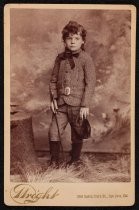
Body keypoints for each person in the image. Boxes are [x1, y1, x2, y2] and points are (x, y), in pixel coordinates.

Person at [48, 21, 96, 167]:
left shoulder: (86, 59)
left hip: (78, 106)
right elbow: (53, 80)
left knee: (77, 134)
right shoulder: (60, 58)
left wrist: (85, 105)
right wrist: (54, 98)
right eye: (69, 38)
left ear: (82, 41)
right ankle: (54, 161)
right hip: (61, 105)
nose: (73, 41)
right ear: (64, 41)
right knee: (53, 131)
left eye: (76, 38)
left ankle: (75, 160)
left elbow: (91, 83)